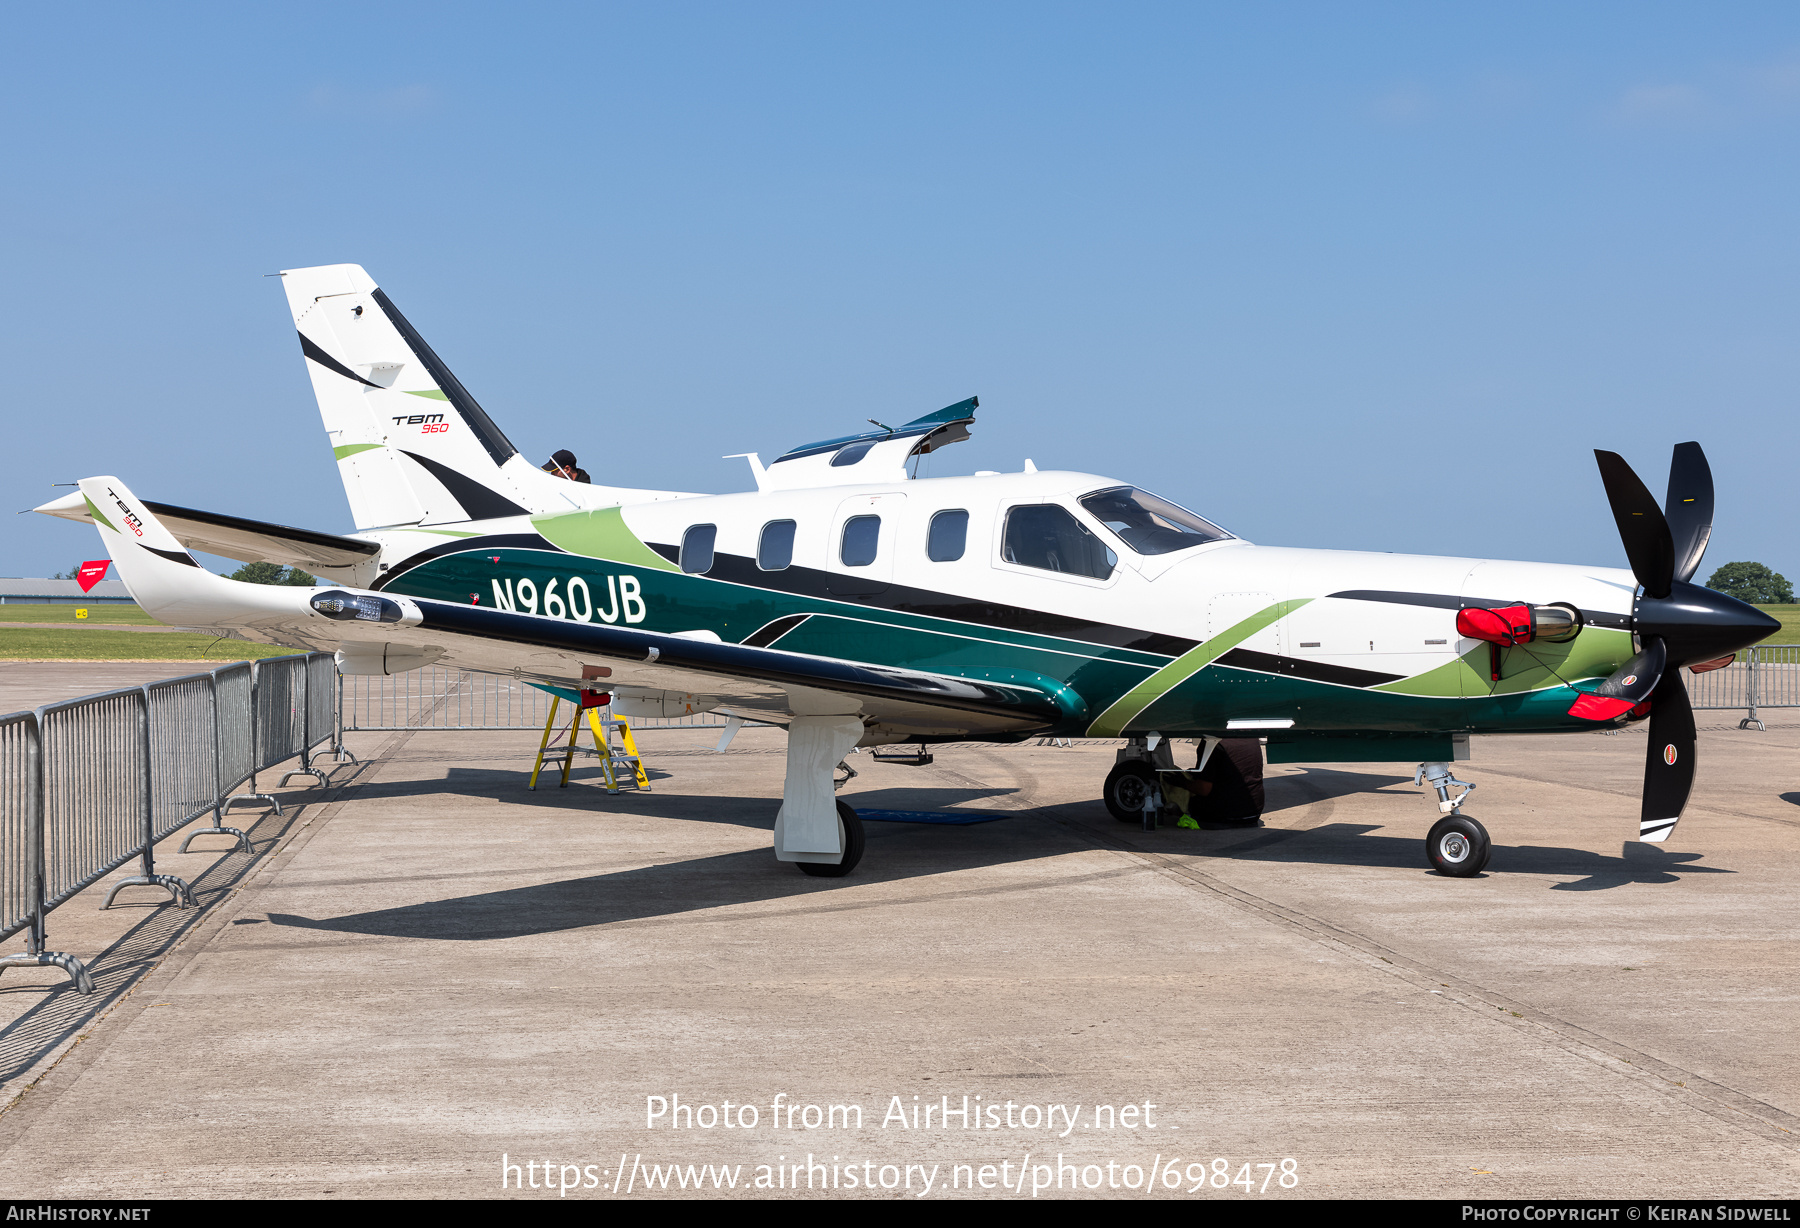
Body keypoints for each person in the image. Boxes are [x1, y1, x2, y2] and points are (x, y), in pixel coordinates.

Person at [1165, 738, 1264, 830]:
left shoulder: (1211, 743)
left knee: (1179, 788)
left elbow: (1204, 789)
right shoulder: (1252, 739)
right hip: (1253, 814)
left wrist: (1181, 782)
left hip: (1222, 817)